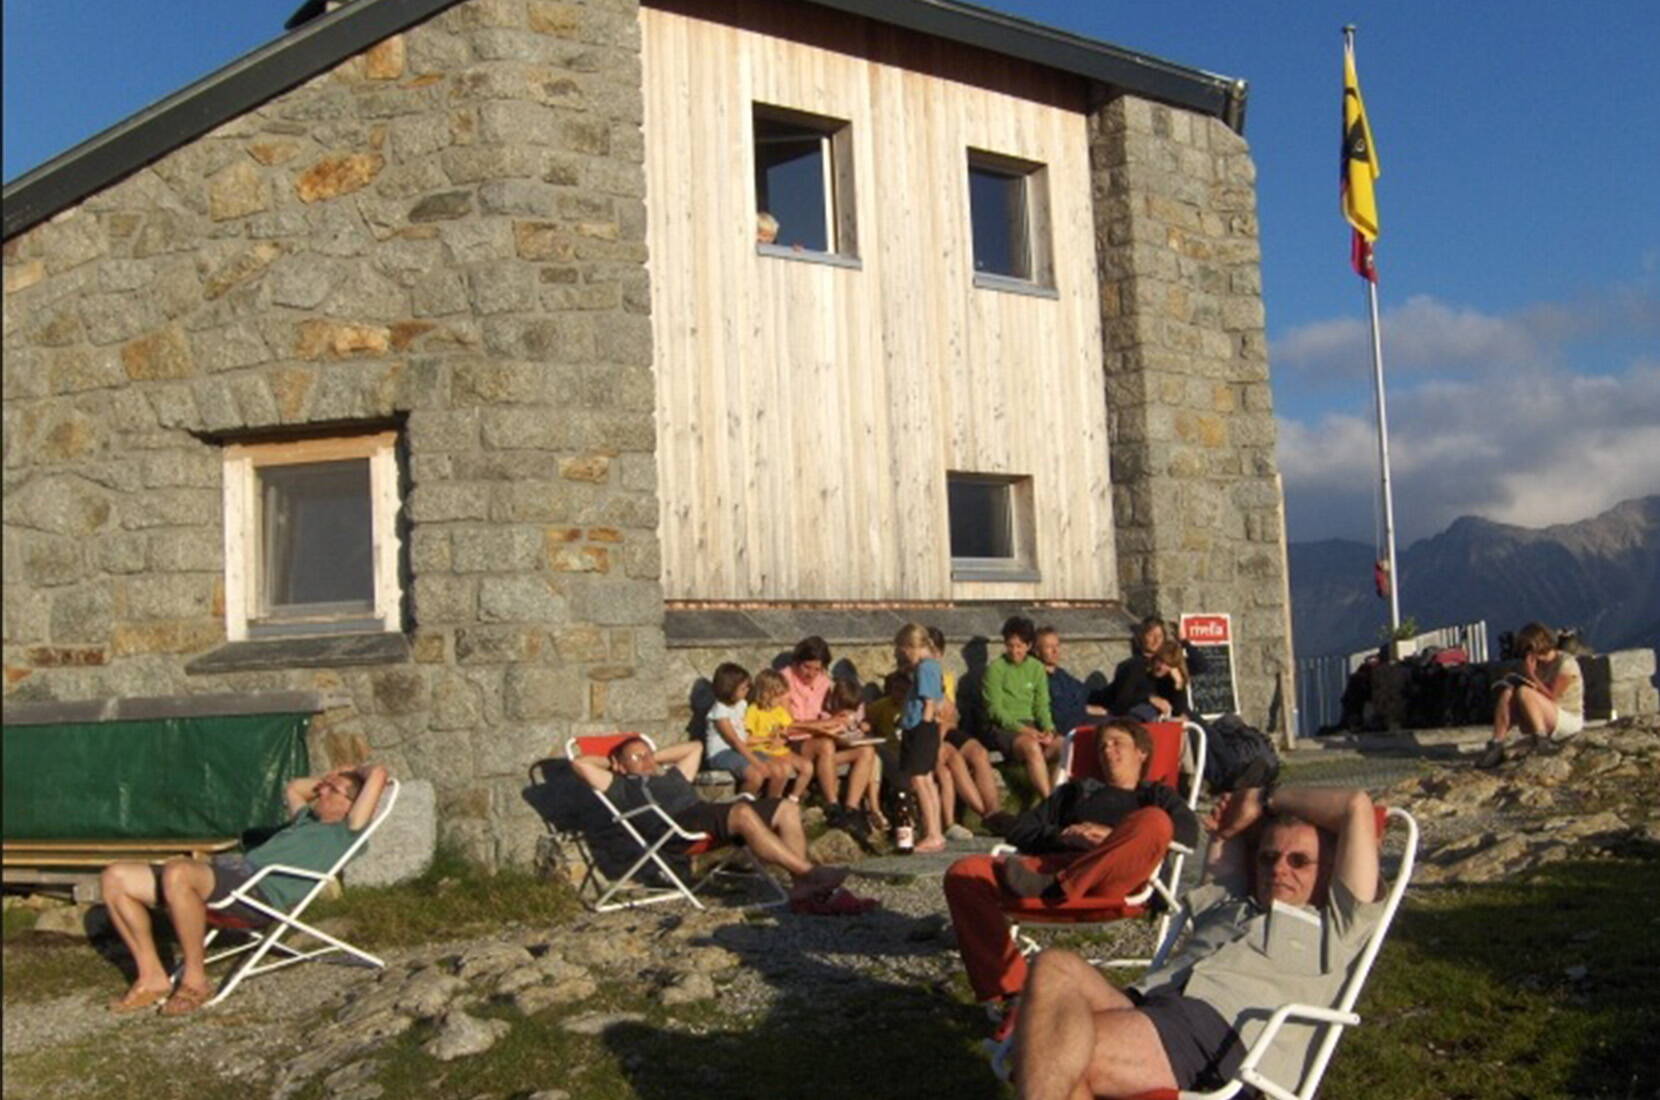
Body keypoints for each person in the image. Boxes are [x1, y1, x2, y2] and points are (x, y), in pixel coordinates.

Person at [1011, 783, 1383, 1099]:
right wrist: (1229, 828)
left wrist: (1265, 799)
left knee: (1060, 1053)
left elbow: (1356, 807)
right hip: (1150, 1002)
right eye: (1269, 858)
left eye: (1299, 861)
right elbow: (1227, 832)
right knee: (1053, 965)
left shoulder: (1339, 925)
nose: (1279, 869)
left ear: (1331, 871)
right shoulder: (1231, 905)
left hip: (1221, 1038)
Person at [944, 720, 1197, 1026]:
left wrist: (1113, 838)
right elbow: (1023, 829)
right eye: (1102, 745)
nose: (1107, 750)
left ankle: (1064, 883)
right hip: (1054, 867)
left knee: (1155, 822)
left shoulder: (1155, 796)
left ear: (1141, 752)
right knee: (964, 873)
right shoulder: (1076, 792)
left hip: (1117, 880)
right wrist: (1063, 836)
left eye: (1117, 743)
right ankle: (1015, 995)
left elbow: (1187, 834)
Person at [100, 762, 390, 1015]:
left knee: (179, 872)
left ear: (351, 804)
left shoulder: (347, 831)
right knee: (116, 877)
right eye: (324, 786)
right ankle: (152, 976)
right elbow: (294, 787)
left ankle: (195, 981)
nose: (322, 790)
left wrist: (352, 772)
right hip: (227, 876)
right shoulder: (305, 819)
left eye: (331, 790)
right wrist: (332, 780)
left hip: (257, 894)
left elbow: (378, 773)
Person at [571, 737, 873, 914]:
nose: (647, 760)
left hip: (704, 813)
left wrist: (650, 757)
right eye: (637, 757)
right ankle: (810, 874)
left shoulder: (670, 776)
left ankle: (803, 893)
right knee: (741, 813)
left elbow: (695, 747)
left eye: (647, 753)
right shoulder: (621, 786)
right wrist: (619, 766)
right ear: (621, 766)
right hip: (675, 827)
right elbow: (581, 764)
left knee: (786, 808)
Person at [780, 636, 877, 833]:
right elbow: (789, 726)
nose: (811, 674)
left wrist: (844, 722)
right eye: (807, 667)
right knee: (825, 745)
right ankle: (832, 805)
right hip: (797, 742)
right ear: (797, 662)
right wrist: (828, 724)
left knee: (866, 750)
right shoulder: (784, 680)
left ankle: (852, 808)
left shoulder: (824, 682)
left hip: (826, 740)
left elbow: (831, 713)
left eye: (817, 669)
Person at [1477, 621, 1585, 768]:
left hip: (1567, 719)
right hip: (1544, 713)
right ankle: (1496, 744)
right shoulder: (1537, 664)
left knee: (1524, 692)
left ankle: (1541, 742)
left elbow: (1553, 696)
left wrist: (1532, 675)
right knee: (1508, 692)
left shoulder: (1566, 663)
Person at [932, 625, 1000, 833]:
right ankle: (986, 815)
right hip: (931, 733)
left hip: (948, 729)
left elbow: (950, 715)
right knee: (956, 760)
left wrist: (946, 721)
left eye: (935, 652)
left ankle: (995, 810)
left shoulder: (947, 679)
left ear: (941, 653)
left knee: (978, 752)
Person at [983, 615, 1059, 797]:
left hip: (1033, 725)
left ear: (1029, 646)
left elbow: (1041, 705)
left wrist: (1049, 729)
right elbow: (995, 710)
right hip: (1006, 729)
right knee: (1031, 747)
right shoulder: (995, 669)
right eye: (1010, 646)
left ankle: (1058, 795)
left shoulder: (1036, 668)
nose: (1014, 651)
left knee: (1065, 746)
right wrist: (1024, 730)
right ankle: (1048, 801)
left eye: (1019, 646)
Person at [896, 622, 949, 853]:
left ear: (913, 646)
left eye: (904, 650)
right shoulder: (932, 667)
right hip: (923, 728)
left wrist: (922, 725)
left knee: (920, 780)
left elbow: (929, 701)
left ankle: (932, 833)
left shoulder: (926, 668)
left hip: (921, 728)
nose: (904, 655)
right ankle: (935, 831)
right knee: (927, 779)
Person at [703, 662, 774, 798]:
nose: (747, 690)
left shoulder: (741, 704)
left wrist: (768, 739)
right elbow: (734, 740)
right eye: (743, 688)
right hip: (721, 753)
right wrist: (756, 762)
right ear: (729, 689)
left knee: (776, 767)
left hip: (740, 748)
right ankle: (741, 806)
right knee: (755, 775)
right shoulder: (720, 711)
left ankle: (771, 804)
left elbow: (744, 735)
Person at [744, 668, 814, 800]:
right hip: (762, 750)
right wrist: (768, 739)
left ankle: (793, 798)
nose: (780, 700)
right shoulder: (753, 710)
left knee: (807, 767)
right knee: (784, 769)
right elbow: (748, 739)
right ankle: (773, 799)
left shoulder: (779, 711)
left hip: (780, 750)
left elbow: (787, 729)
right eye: (777, 696)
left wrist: (782, 737)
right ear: (765, 694)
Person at [1035, 626, 1108, 736]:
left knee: (1099, 679)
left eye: (1057, 645)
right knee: (1113, 727)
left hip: (1084, 712)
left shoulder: (1061, 674)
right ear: (1037, 651)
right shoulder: (1039, 678)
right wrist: (1085, 709)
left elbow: (1083, 691)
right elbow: (1059, 713)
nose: (1055, 651)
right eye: (1049, 647)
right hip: (1071, 725)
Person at [1100, 615, 1168, 719]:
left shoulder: (1169, 662)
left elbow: (1199, 666)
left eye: (1160, 636)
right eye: (1151, 635)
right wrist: (1148, 698)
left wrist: (1185, 642)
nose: (1156, 640)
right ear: (1142, 637)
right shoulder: (1132, 665)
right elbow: (1122, 699)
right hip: (1144, 717)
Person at [1146, 640, 1191, 721]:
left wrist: (1178, 683)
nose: (1161, 667)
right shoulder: (1145, 676)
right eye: (1160, 661)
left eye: (1168, 664)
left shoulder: (1172, 680)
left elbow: (1178, 710)